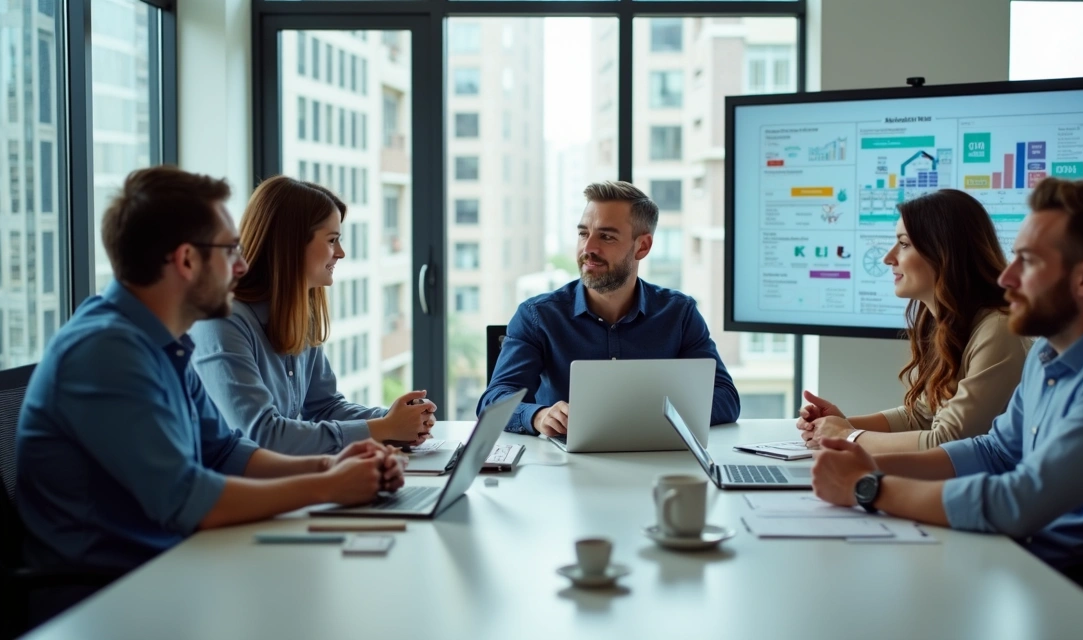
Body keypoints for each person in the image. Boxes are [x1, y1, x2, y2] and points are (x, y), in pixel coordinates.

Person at [810, 177, 1083, 628]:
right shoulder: (1049, 350)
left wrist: (868, 488)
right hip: (1040, 566)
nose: (1005, 277)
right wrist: (872, 463)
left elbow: (1019, 502)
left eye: (1028, 261)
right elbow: (994, 451)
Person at [16, 167, 402, 620]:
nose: (242, 266)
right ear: (186, 260)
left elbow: (227, 453)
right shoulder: (106, 351)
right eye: (230, 250)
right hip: (105, 601)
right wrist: (326, 485)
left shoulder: (162, 343)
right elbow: (189, 500)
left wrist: (331, 463)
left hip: (168, 570)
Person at [190, 175, 436, 456]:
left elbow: (324, 407)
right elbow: (263, 435)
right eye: (332, 240)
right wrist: (384, 428)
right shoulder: (222, 321)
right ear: (291, 244)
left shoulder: (296, 313)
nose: (341, 253)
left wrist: (399, 418)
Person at [477, 180, 740, 436]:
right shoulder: (537, 316)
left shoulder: (679, 314)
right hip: (563, 469)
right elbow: (494, 401)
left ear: (643, 246)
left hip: (656, 464)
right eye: (583, 233)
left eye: (606, 236)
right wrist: (538, 416)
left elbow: (726, 398)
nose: (588, 248)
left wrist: (647, 417)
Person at [797, 190, 1032, 454]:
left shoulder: (998, 330)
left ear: (944, 252)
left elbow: (947, 440)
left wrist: (849, 436)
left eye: (904, 244)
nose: (888, 257)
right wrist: (839, 425)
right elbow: (920, 418)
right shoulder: (946, 324)